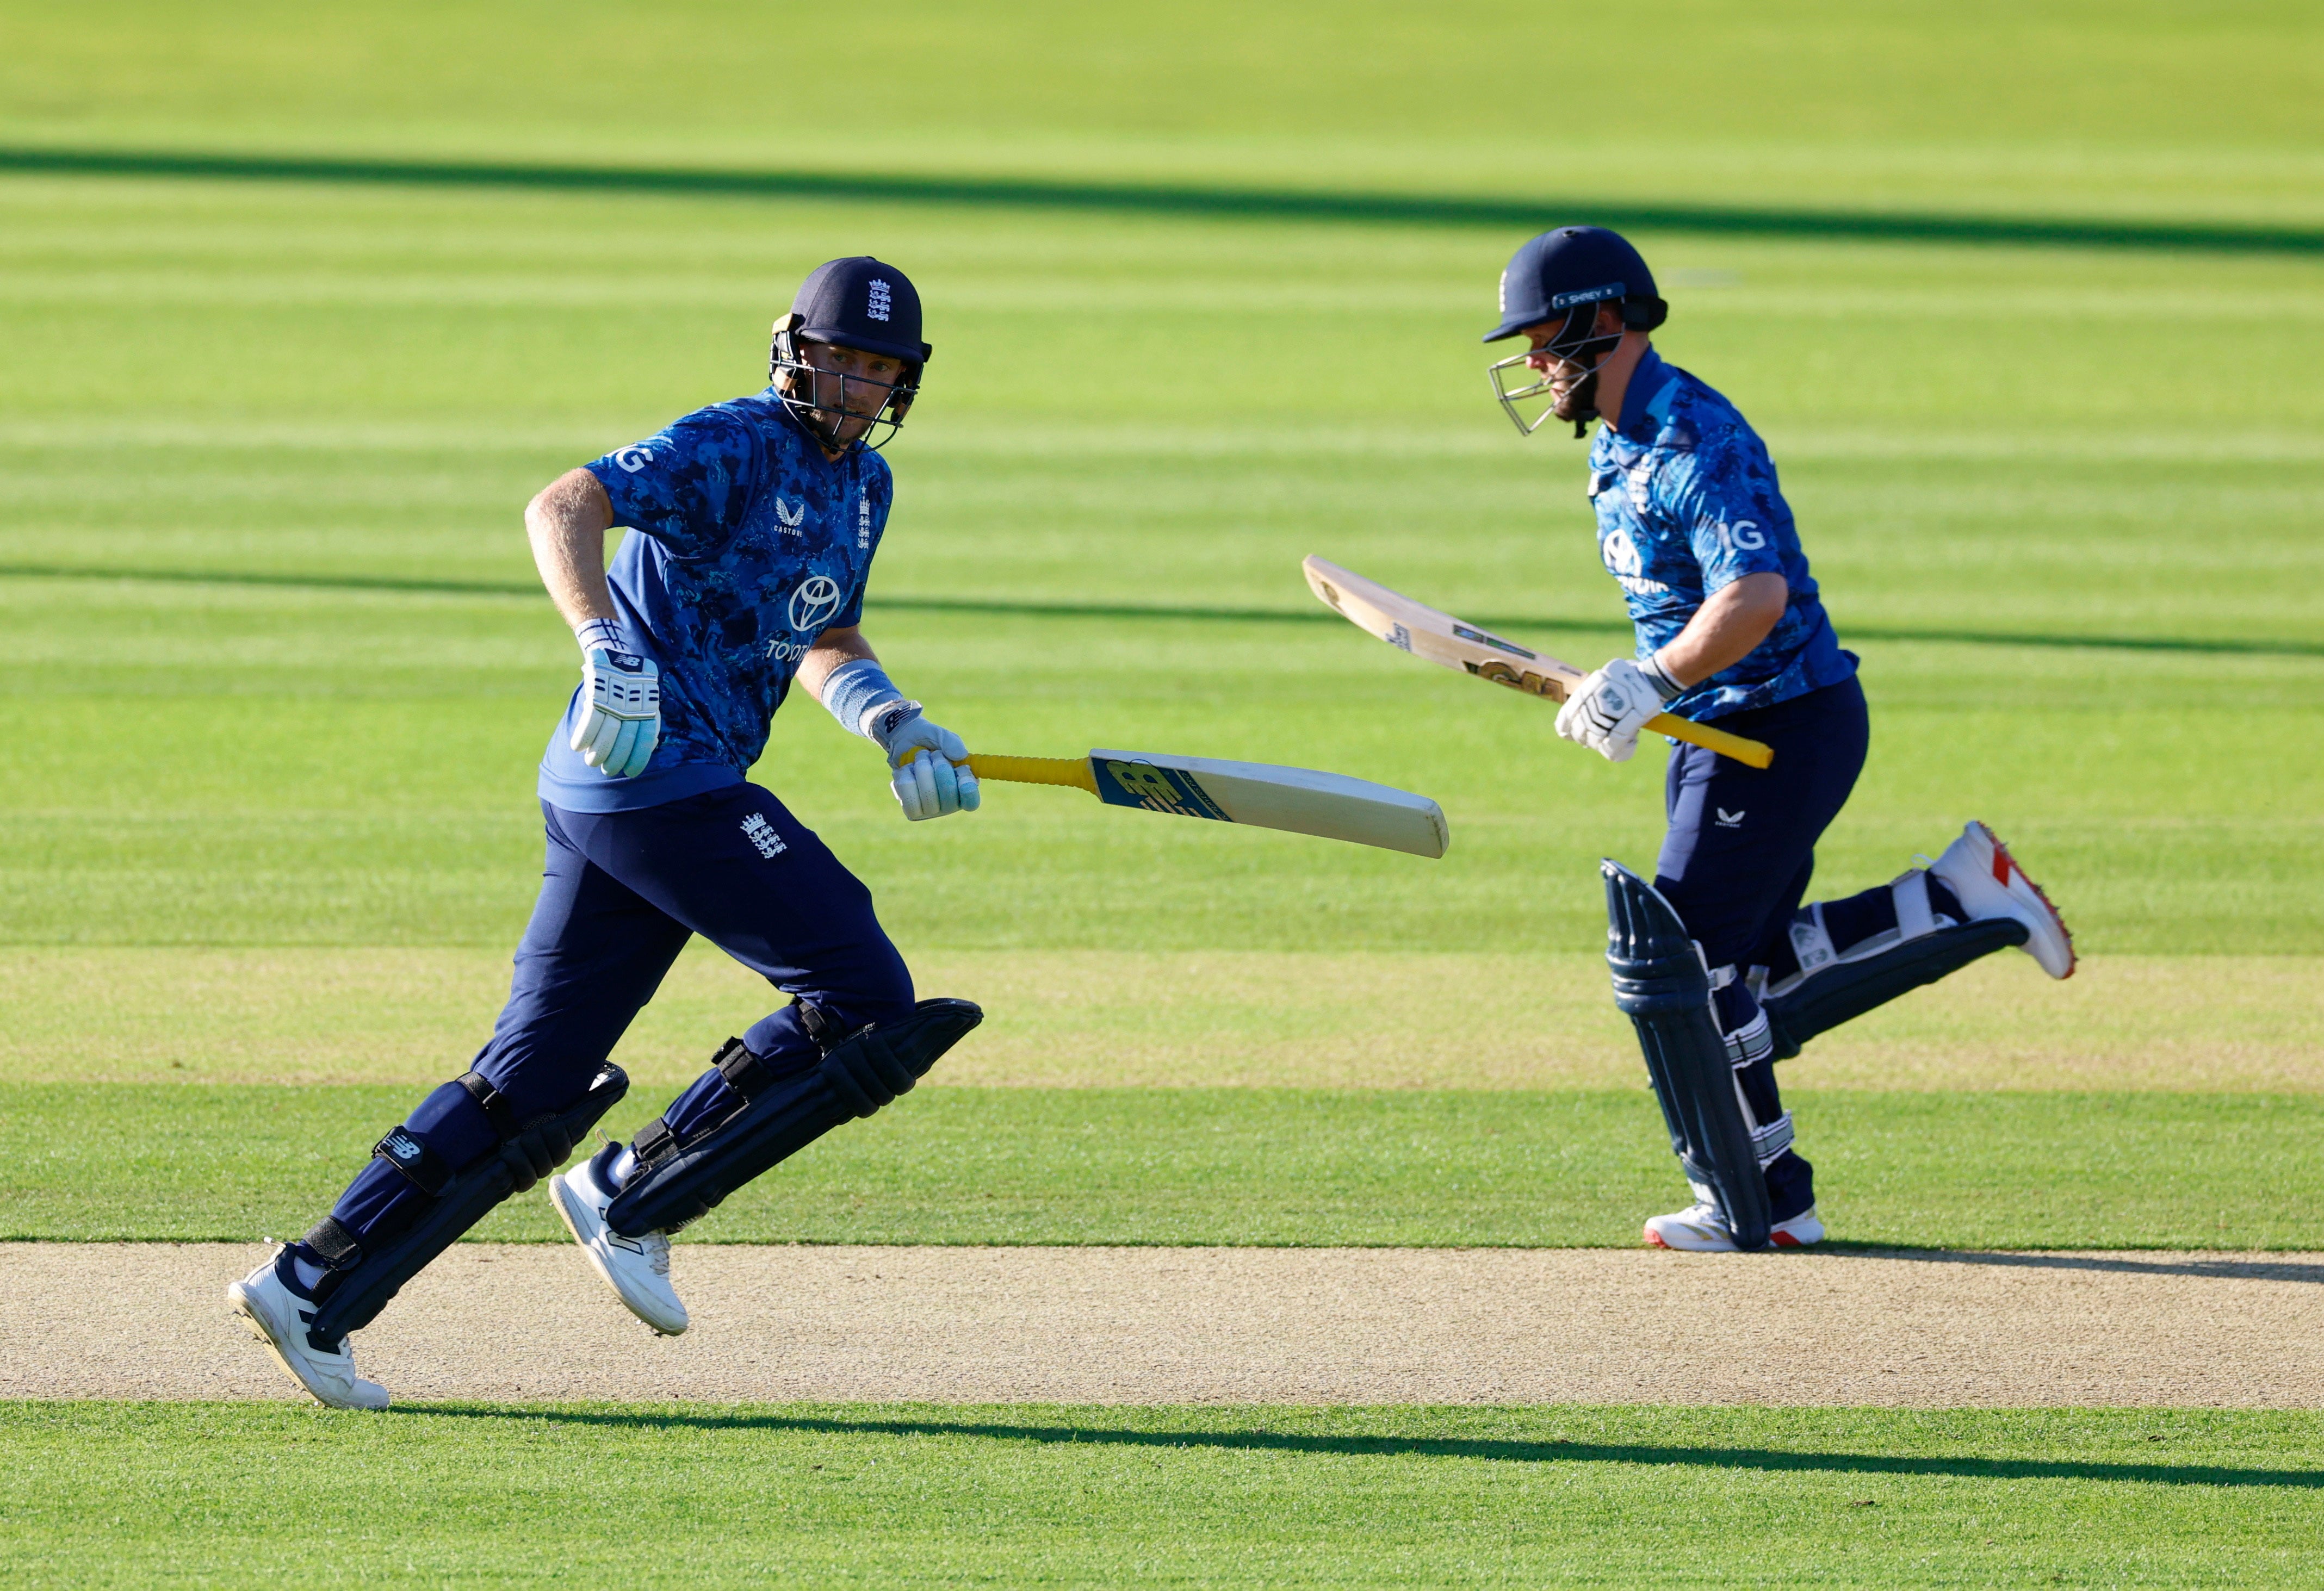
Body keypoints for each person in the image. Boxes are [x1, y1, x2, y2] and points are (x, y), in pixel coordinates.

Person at [230, 257, 984, 1408]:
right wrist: (604, 642)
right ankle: (636, 1188)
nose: (855, 385)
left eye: (879, 369)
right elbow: (563, 504)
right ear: (795, 350)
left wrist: (893, 720)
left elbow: (824, 632)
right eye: (840, 358)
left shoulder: (865, 494)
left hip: (635, 796)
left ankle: (310, 1282)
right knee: (865, 988)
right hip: (650, 776)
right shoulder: (731, 442)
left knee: (534, 1068)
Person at [1482, 226, 2074, 1252]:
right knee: (1746, 976)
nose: (1533, 363)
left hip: (1777, 726)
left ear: (1603, 320)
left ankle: (1758, 1203)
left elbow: (1753, 596)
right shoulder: (1623, 438)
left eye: (1542, 339)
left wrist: (1653, 678)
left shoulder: (1691, 437)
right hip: (1721, 727)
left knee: (1679, 964)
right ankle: (1955, 896)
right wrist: (1636, 683)